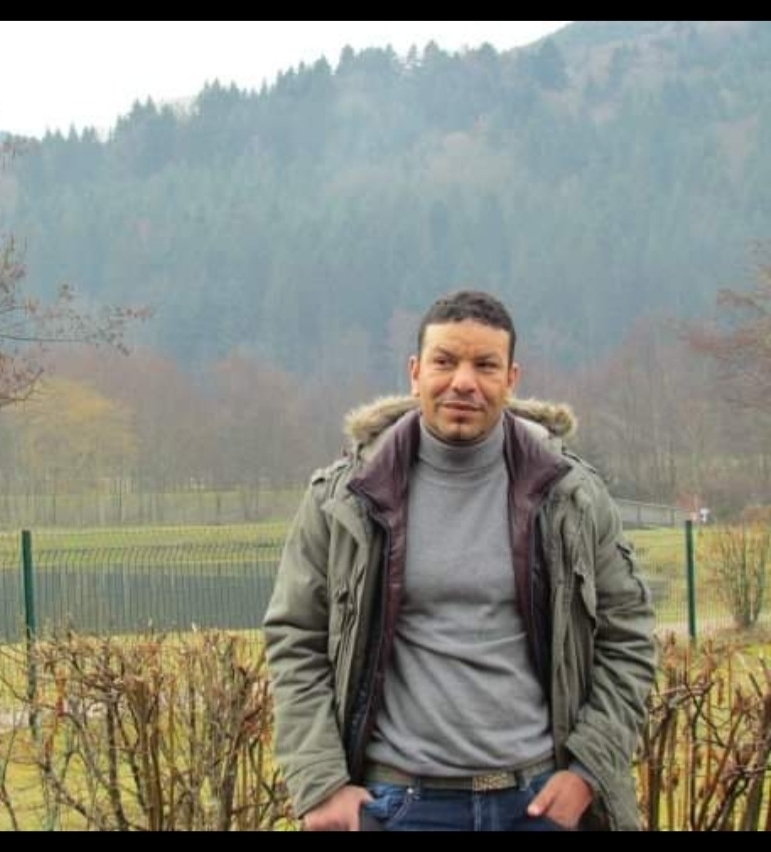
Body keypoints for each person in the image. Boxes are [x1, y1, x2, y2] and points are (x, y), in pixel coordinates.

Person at [262, 289, 656, 831]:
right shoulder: (345, 497)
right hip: (398, 806)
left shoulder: (571, 496)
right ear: (415, 372)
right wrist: (321, 784)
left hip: (540, 805)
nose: (463, 382)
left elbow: (628, 636)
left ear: (511, 378)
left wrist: (588, 771)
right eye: (445, 361)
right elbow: (295, 639)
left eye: (485, 365)